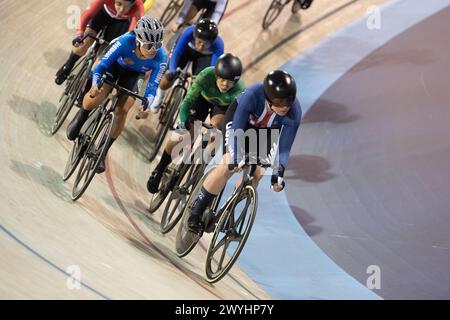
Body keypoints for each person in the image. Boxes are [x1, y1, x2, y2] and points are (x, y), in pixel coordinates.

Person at [186, 70, 302, 234]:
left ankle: (231, 205)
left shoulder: (294, 111)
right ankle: (196, 210)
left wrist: (279, 171)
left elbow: (285, 146)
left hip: (265, 132)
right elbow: (236, 129)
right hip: (238, 123)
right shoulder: (253, 95)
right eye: (280, 101)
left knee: (257, 173)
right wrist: (236, 156)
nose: (285, 106)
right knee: (228, 165)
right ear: (268, 98)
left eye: (289, 101)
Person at [65, 16, 167, 174]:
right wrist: (94, 86)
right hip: (113, 67)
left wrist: (146, 105)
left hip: (134, 76)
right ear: (138, 41)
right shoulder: (124, 42)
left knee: (123, 110)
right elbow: (100, 67)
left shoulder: (161, 57)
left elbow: (152, 87)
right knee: (98, 96)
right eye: (149, 45)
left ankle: (102, 151)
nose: (154, 49)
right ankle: (81, 119)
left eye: (157, 44)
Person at [146, 53, 245, 194]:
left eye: (230, 82)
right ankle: (159, 169)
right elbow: (187, 102)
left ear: (235, 82)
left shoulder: (240, 90)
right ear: (216, 75)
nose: (225, 84)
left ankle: (197, 173)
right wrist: (183, 123)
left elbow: (235, 119)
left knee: (216, 132)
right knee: (182, 136)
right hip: (201, 100)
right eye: (222, 80)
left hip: (222, 108)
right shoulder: (205, 75)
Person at [55, 0, 145, 85]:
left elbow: (131, 32)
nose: (121, 9)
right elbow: (87, 14)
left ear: (133, 4)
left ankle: (89, 83)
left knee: (104, 56)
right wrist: (79, 34)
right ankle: (68, 66)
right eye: (119, 3)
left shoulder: (138, 6)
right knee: (84, 42)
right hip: (102, 14)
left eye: (126, 7)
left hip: (121, 23)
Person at [149, 18, 224, 112]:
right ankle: (159, 95)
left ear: (212, 42)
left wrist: (202, 80)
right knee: (169, 75)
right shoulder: (188, 32)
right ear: (195, 36)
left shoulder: (219, 45)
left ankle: (184, 113)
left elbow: (212, 69)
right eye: (199, 41)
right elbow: (177, 53)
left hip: (204, 57)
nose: (201, 46)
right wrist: (173, 70)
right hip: (187, 50)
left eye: (205, 44)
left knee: (198, 87)